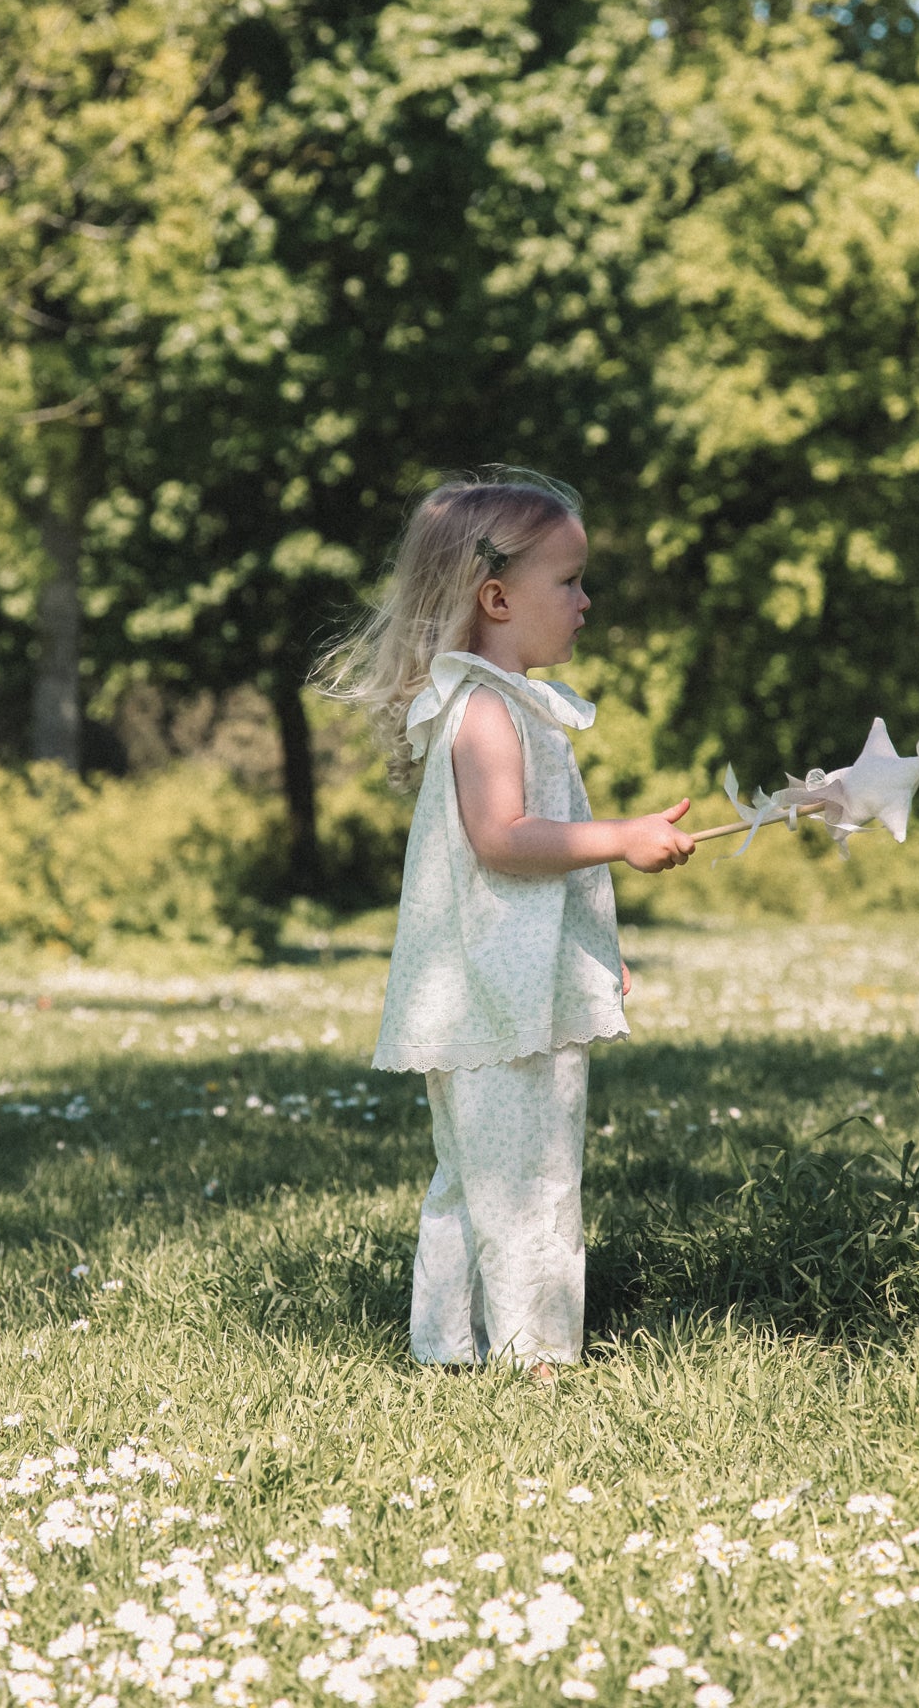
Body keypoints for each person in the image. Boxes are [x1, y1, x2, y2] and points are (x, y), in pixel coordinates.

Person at [321, 470, 695, 1375]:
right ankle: (534, 1357)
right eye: (566, 581)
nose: (584, 600)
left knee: (475, 1178)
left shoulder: (496, 703)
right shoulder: (485, 709)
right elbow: (504, 840)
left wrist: (589, 955)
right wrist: (621, 838)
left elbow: (520, 873)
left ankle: (449, 1350)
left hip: (502, 988)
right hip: (498, 1000)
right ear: (495, 596)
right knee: (527, 1179)